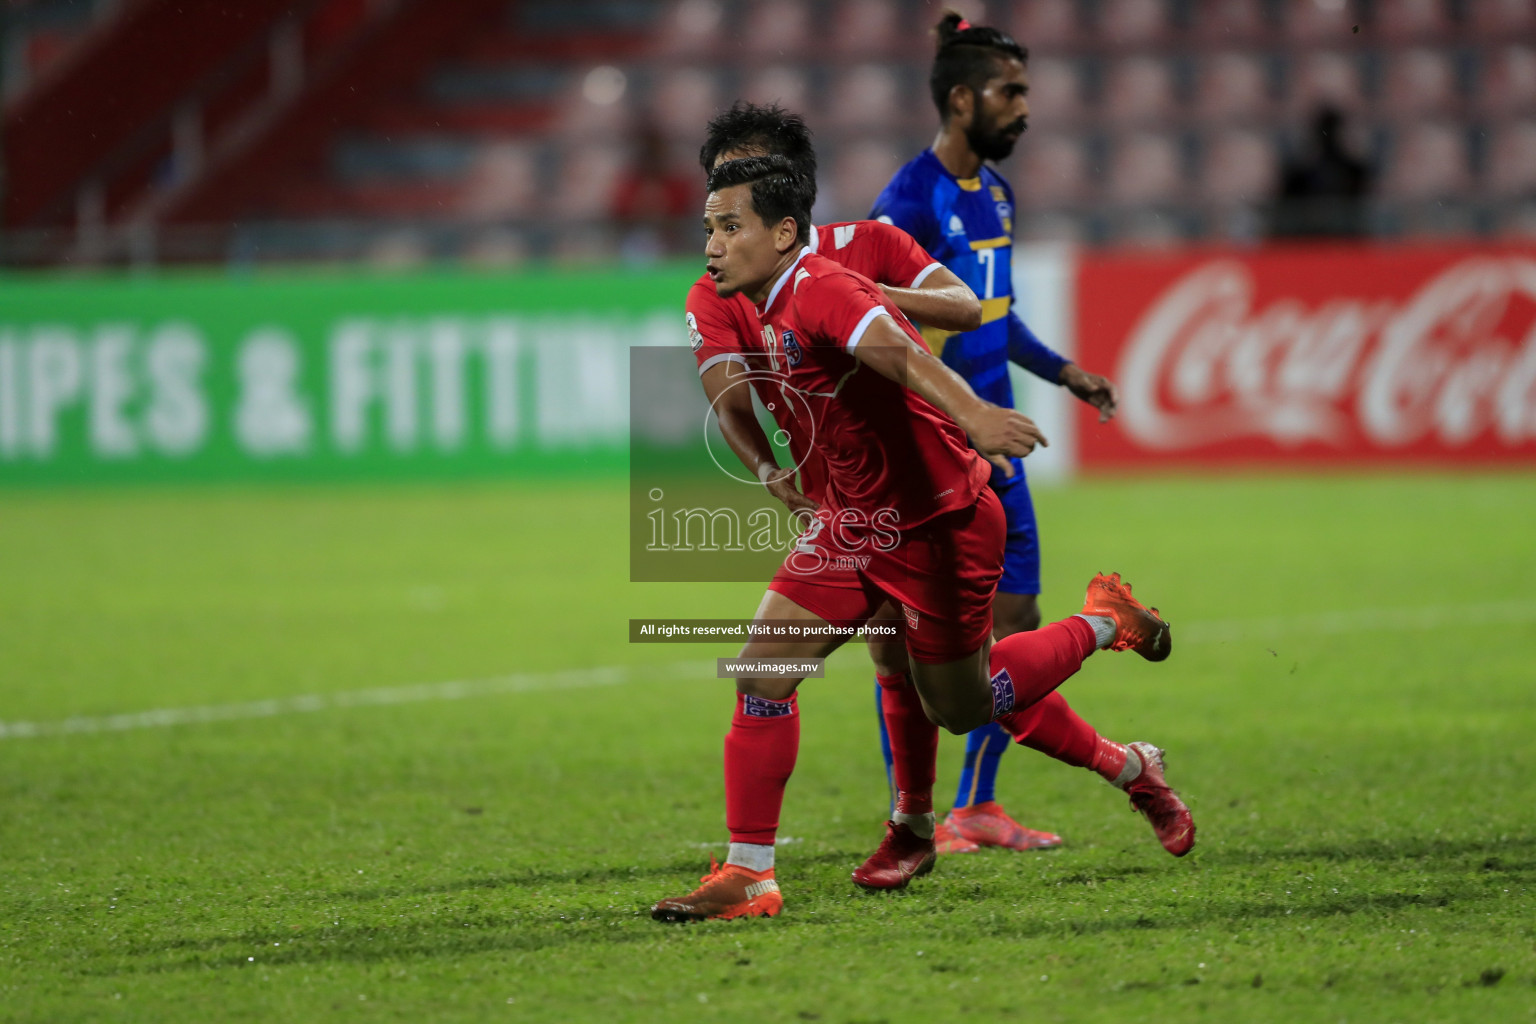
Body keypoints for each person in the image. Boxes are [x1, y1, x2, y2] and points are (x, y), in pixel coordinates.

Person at [650, 155, 1188, 923]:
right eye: (708, 227)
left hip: (941, 524)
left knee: (965, 707)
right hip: (853, 524)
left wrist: (974, 417)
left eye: (729, 227)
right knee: (762, 670)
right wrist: (774, 467)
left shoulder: (825, 284)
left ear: (783, 231)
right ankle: (749, 874)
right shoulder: (751, 298)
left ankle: (1104, 625)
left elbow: (902, 348)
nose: (711, 243)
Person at [868, 11, 1132, 853]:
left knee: (1016, 626)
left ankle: (976, 806)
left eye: (1025, 90)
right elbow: (873, 323)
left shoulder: (999, 194)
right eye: (1009, 92)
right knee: (909, 643)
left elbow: (996, 316)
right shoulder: (909, 201)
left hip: (1000, 442)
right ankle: (913, 814)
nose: (1024, 107)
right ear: (959, 98)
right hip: (937, 447)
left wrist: (1064, 372)